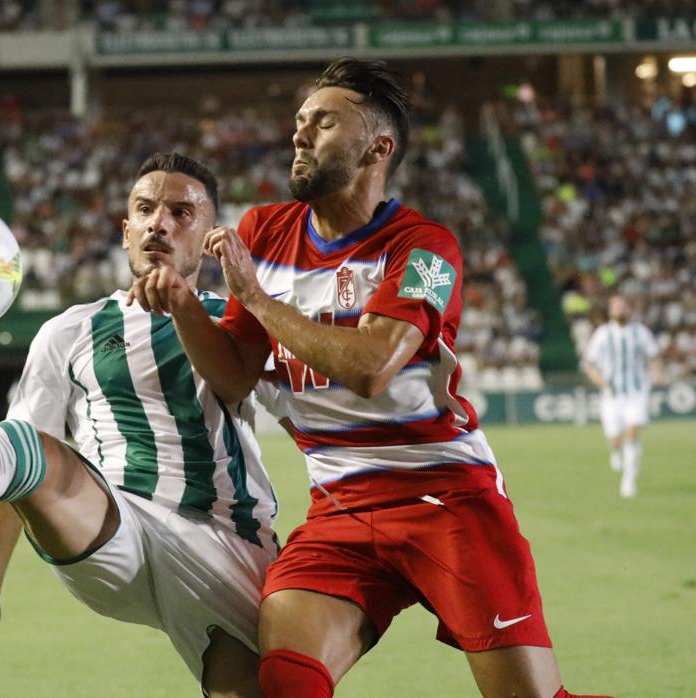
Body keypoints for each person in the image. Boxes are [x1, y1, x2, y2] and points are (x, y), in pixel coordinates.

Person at [129, 58, 607, 698]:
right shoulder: (263, 231)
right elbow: (237, 377)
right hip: (341, 508)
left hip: (449, 500)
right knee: (284, 683)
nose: (300, 134)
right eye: (300, 121)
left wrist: (258, 298)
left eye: (323, 122)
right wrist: (187, 306)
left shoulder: (429, 250)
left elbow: (371, 366)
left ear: (377, 148)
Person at [0, 153, 279, 697]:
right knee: (30, 449)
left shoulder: (239, 319)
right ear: (126, 229)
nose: (161, 222)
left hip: (225, 540)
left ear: (207, 233)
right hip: (112, 525)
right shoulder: (69, 330)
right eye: (145, 209)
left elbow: (299, 411)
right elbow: (10, 465)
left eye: (182, 212)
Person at [581, 295, 661, 498]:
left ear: (629, 310)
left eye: (623, 307)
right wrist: (599, 380)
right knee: (616, 438)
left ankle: (628, 482)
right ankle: (616, 450)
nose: (620, 310)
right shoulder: (603, 334)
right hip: (611, 394)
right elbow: (590, 364)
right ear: (610, 310)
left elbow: (654, 356)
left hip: (636, 392)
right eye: (616, 307)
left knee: (632, 434)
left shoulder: (640, 332)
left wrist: (659, 374)